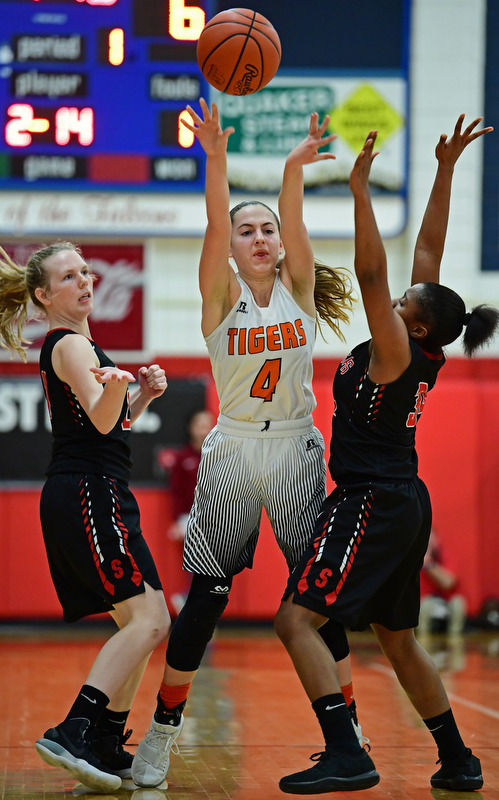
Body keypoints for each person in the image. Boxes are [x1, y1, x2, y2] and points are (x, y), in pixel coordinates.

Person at [132, 100, 360, 789]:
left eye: (268, 229)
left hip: (294, 449)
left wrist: (293, 171)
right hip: (231, 452)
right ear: (231, 247)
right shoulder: (215, 297)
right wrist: (216, 160)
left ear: (283, 243)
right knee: (207, 594)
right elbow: (211, 218)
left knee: (318, 599)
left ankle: (347, 733)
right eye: (246, 230)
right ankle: (160, 737)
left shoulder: (299, 291)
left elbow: (294, 222)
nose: (259, 237)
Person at [274, 114, 498, 795]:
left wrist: (360, 191)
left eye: (402, 300)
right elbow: (425, 251)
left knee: (293, 619)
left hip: (371, 499)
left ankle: (346, 751)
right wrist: (446, 169)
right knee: (397, 639)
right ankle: (457, 761)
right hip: (399, 499)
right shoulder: (419, 337)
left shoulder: (397, 352)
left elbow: (373, 271)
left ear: (416, 322)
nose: (393, 294)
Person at [0, 241, 171, 794]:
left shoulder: (80, 345)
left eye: (86, 271)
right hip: (87, 492)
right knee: (148, 621)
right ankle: (75, 728)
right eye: (69, 276)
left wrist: (138, 397)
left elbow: (105, 418)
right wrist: (121, 387)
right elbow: (102, 424)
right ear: (43, 295)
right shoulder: (71, 343)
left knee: (145, 621)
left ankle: (105, 738)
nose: (84, 281)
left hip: (98, 489)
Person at [166, 408, 215, 614]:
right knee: (198, 562)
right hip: (190, 519)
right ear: (191, 428)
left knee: (211, 566)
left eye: (208, 425)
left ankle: (189, 600)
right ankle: (190, 600)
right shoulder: (183, 457)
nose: (204, 430)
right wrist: (178, 521)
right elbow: (176, 492)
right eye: (200, 425)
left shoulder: (218, 456)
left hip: (215, 519)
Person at [419, 529, 467, 636]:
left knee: (458, 603)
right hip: (424, 603)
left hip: (445, 601)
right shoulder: (412, 559)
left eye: (432, 539)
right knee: (424, 606)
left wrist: (428, 564)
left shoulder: (445, 556)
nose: (429, 542)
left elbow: (448, 583)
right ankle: (422, 642)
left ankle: (455, 641)